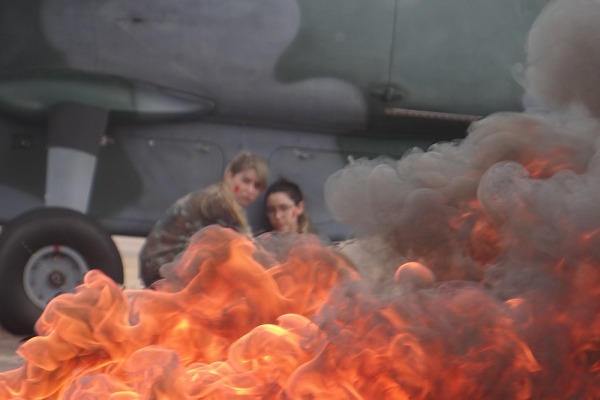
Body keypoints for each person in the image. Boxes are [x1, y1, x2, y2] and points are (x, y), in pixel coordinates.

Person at [139, 151, 269, 287]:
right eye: (245, 181)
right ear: (229, 176)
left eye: (257, 186)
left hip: (160, 265)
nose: (250, 190)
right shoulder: (220, 203)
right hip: (162, 269)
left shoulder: (219, 199)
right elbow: (243, 251)